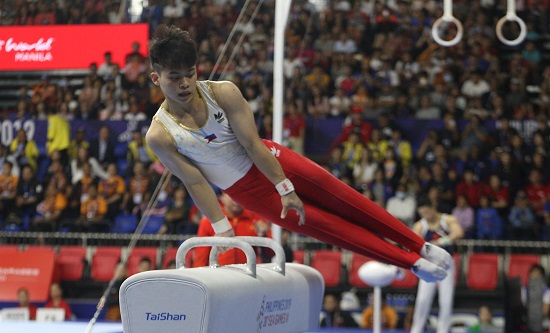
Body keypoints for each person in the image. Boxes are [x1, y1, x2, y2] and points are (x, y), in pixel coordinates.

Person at [144, 24, 452, 283]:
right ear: (156, 78)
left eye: (190, 73)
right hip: (248, 193)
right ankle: (410, 263)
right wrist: (222, 228)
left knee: (350, 202)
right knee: (332, 229)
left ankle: (419, 245)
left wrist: (285, 187)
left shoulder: (222, 92)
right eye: (174, 77)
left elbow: (253, 145)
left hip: (275, 162)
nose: (185, 83)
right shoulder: (160, 135)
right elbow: (195, 182)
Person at [405, 196, 464, 333]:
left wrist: (439, 242)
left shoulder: (447, 220)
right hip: (429, 266)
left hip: (446, 265)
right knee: (422, 300)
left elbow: (458, 233)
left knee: (446, 301)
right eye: (422, 213)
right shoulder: (420, 225)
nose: (426, 215)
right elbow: (413, 244)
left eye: (427, 211)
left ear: (433, 207)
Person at [191, 193, 271, 267]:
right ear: (223, 197)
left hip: (248, 275)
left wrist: (264, 237)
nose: (236, 200)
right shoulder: (208, 222)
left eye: (240, 196)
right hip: (218, 275)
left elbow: (271, 253)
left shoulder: (256, 220)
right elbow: (200, 258)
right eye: (232, 195)